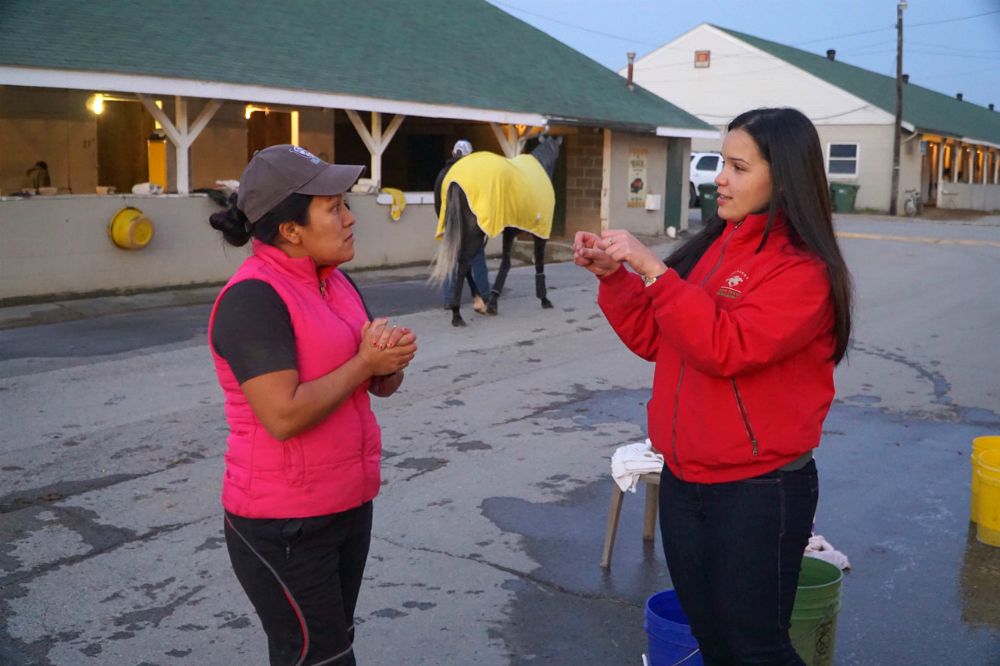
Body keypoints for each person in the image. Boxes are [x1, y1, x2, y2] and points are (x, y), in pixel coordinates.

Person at [574, 108, 852, 665]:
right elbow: (660, 338)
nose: (719, 177)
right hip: (685, 479)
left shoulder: (802, 270)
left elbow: (725, 347)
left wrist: (655, 270)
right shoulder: (714, 247)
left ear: (785, 177)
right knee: (715, 637)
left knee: (756, 647)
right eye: (722, 163)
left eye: (738, 166)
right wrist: (616, 277)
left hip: (758, 491)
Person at [207, 144, 417, 666]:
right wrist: (365, 364)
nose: (349, 220)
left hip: (346, 504)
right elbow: (283, 415)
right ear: (290, 230)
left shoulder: (336, 281)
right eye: (335, 207)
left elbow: (374, 387)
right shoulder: (252, 299)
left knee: (331, 642)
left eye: (346, 205)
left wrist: (388, 364)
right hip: (284, 524)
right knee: (317, 656)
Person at [435, 139, 489, 313]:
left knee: (450, 259)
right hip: (472, 229)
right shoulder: (473, 176)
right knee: (477, 259)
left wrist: (443, 223)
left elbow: (438, 201)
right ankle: (484, 295)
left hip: (449, 226)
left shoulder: (443, 174)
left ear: (453, 153)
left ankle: (449, 299)